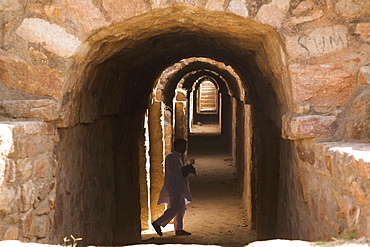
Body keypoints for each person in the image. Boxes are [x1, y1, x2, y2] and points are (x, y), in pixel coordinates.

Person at [152, 138, 194, 236]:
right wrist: (186, 168)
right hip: (174, 187)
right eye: (183, 146)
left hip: (178, 186)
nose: (185, 148)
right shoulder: (171, 157)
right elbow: (174, 171)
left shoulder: (177, 156)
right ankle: (158, 223)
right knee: (175, 207)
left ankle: (179, 229)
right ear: (178, 145)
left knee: (181, 208)